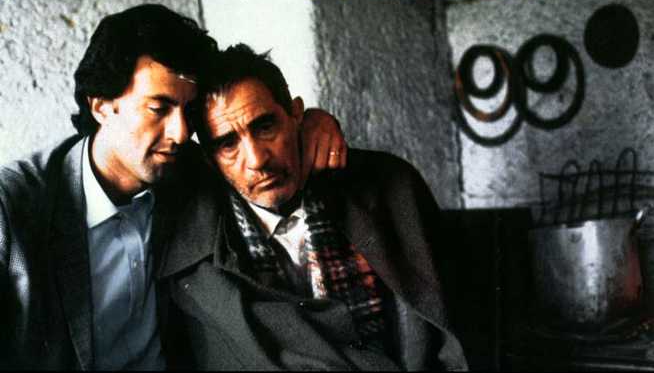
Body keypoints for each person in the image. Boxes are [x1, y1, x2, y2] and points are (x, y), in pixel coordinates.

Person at [0, 4, 346, 370]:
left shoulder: (188, 171)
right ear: (101, 106)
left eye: (188, 111)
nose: (180, 133)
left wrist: (312, 123)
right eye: (158, 108)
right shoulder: (12, 208)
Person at [160, 44, 468, 370]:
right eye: (228, 144)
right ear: (209, 158)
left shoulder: (389, 186)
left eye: (265, 127)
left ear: (296, 114)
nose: (257, 160)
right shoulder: (199, 238)